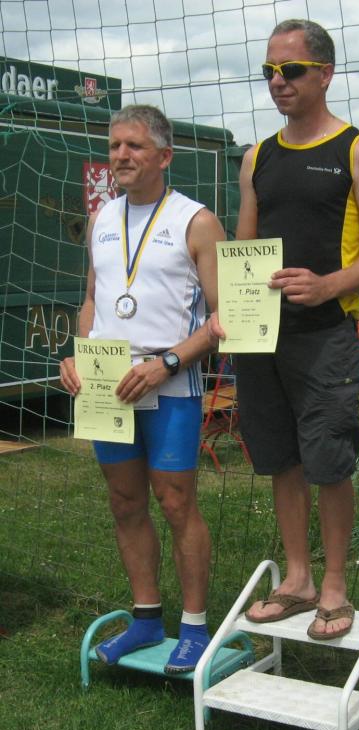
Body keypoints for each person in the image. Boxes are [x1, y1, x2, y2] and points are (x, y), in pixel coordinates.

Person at [212, 19, 359, 639]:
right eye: (269, 70)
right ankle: (297, 579)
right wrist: (230, 309)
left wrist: (327, 285)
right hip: (261, 338)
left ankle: (335, 586)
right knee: (280, 459)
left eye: (290, 70)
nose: (278, 81)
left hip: (325, 334)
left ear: (324, 74)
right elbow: (244, 249)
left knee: (329, 461)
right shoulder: (257, 157)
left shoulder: (356, 150)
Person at [60, 105, 225, 674]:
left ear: (164, 156)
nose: (121, 156)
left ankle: (195, 627)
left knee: (176, 502)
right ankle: (147, 617)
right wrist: (79, 354)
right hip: (109, 386)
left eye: (134, 146)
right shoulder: (102, 217)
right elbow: (92, 299)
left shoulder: (196, 220)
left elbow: (225, 316)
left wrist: (168, 362)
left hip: (169, 384)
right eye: (114, 146)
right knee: (125, 502)